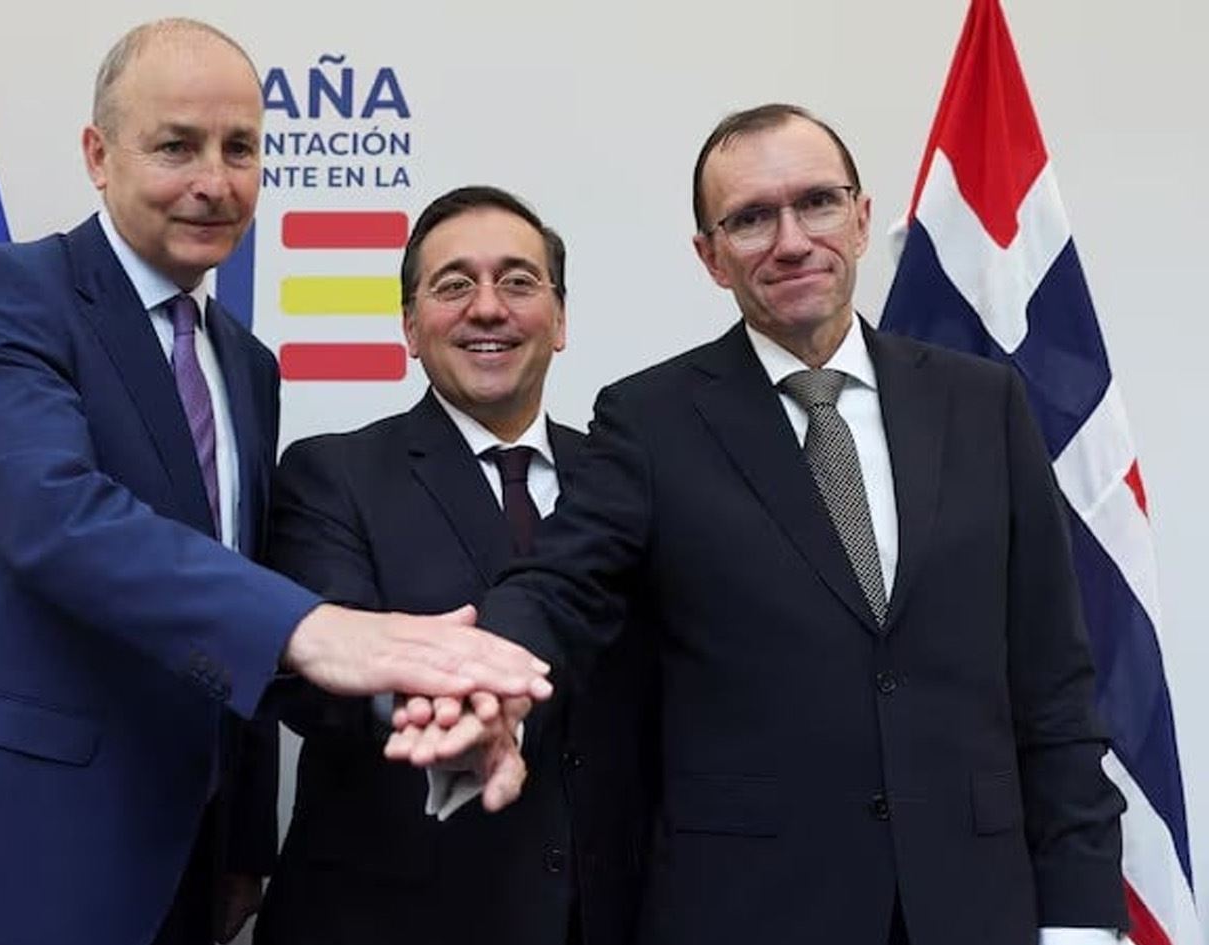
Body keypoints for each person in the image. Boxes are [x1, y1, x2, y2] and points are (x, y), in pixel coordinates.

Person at [0, 20, 549, 945]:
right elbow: (61, 519)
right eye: (177, 146)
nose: (215, 181)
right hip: (5, 862)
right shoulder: (6, 294)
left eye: (240, 148)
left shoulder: (246, 365)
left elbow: (226, 593)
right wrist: (319, 628)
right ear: (99, 156)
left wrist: (246, 837)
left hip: (180, 867)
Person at [393, 105, 1127, 945]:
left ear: (860, 218)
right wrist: (481, 680)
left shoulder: (983, 403)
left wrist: (1081, 916)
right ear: (709, 256)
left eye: (816, 203)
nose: (790, 241)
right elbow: (559, 583)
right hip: (751, 909)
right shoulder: (651, 419)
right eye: (749, 219)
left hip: (974, 908)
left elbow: (1053, 682)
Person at [253, 186, 656, 945]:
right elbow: (317, 681)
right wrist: (438, 713)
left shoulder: (628, 475)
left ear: (560, 319)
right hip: (392, 921)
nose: (488, 308)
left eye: (518, 281)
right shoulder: (331, 475)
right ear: (410, 326)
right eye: (454, 285)